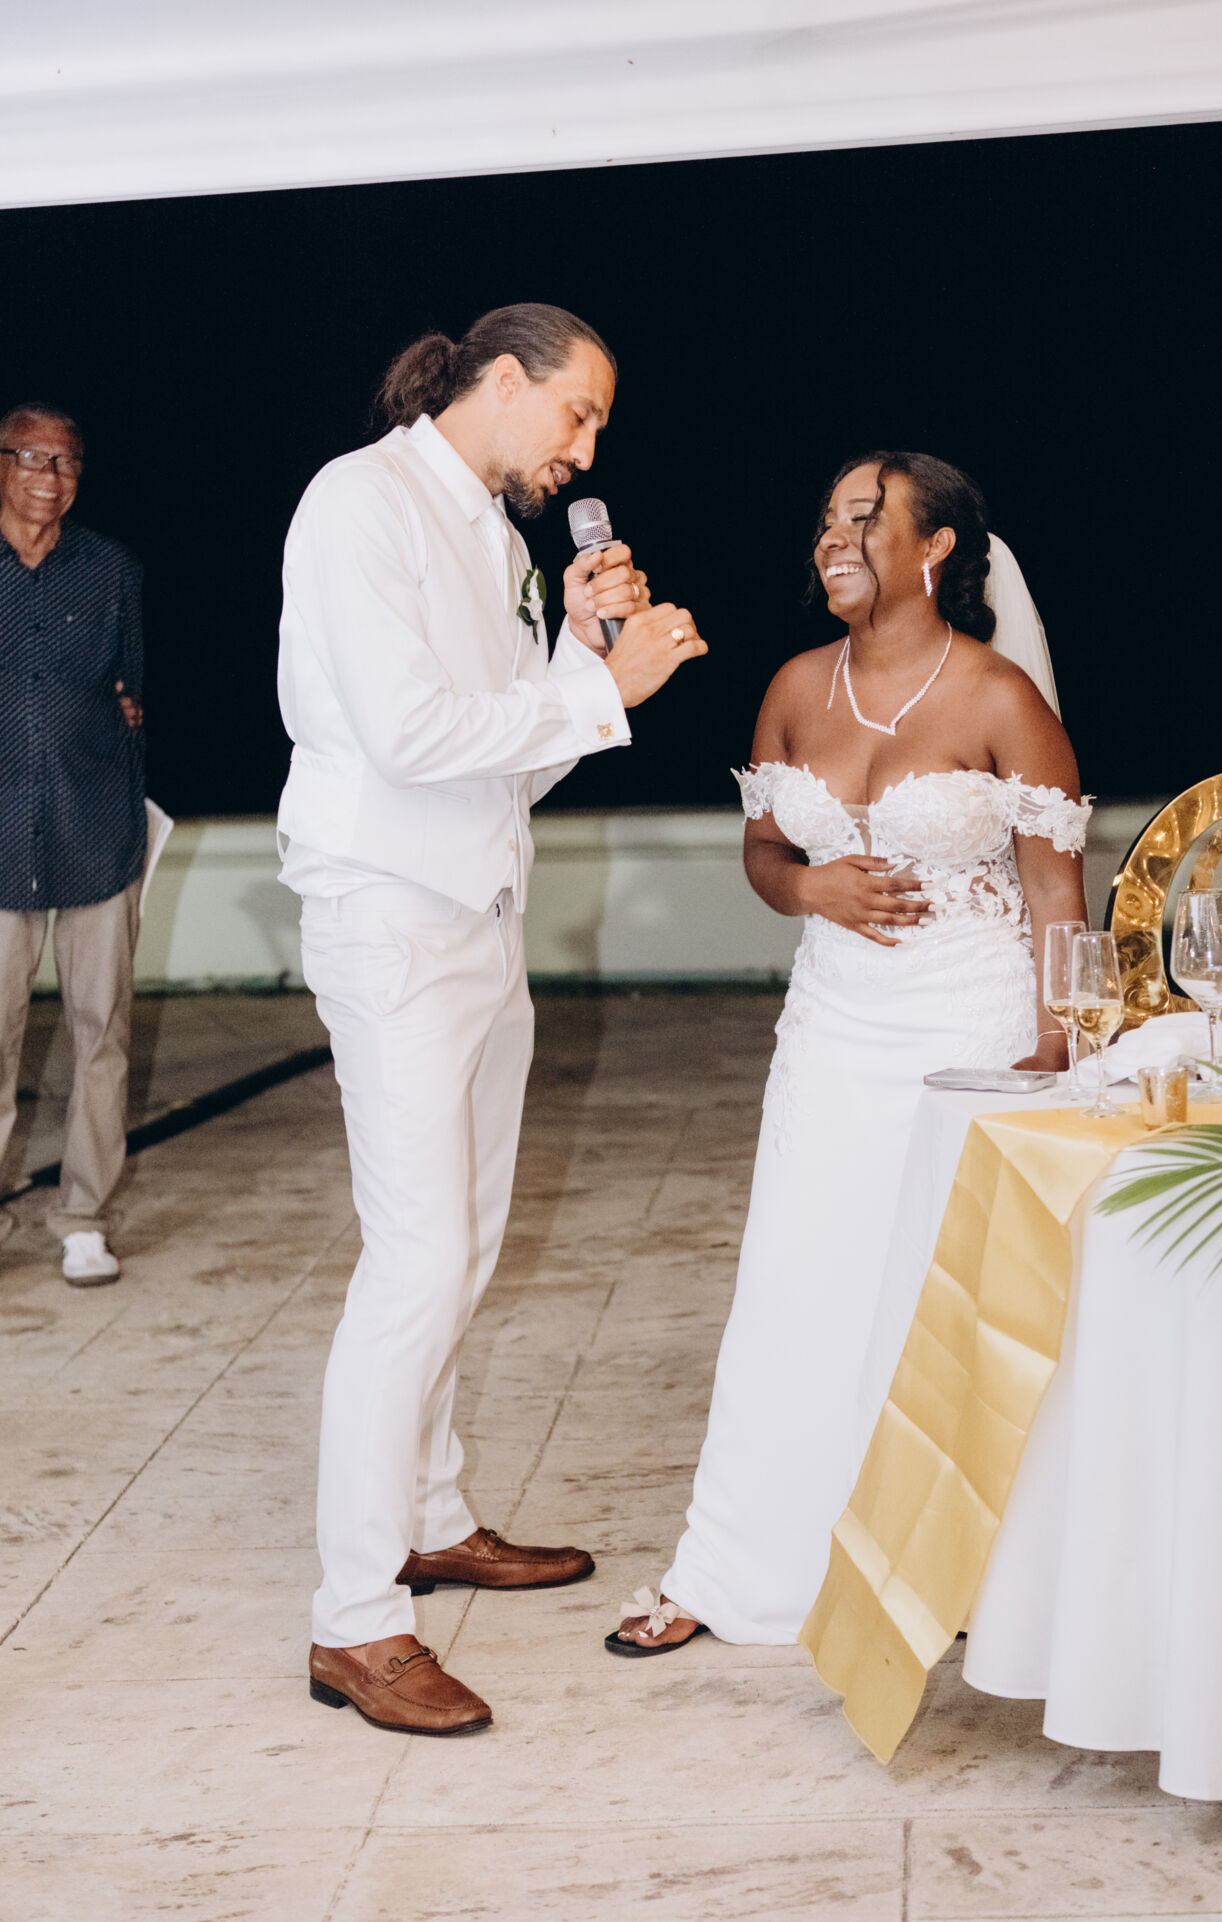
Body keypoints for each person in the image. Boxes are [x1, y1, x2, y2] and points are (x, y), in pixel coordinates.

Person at [278, 303, 707, 1735]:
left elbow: (504, 768)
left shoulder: (500, 541)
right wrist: (597, 687)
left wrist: (579, 655)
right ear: (504, 380)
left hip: (478, 910)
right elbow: (408, 738)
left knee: (462, 1243)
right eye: (578, 414)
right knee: (411, 1263)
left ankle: (432, 1516)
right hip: (389, 918)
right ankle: (354, 1619)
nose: (586, 450)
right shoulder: (360, 501)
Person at [607, 451, 1089, 1656]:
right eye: (826, 519)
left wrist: (1053, 1044)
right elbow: (764, 853)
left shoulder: (998, 698)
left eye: (865, 519)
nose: (833, 538)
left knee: (943, 1295)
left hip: (970, 1029)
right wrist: (805, 886)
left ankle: (968, 1579)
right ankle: (740, 1568)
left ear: (936, 547)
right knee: (795, 1284)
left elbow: (1052, 889)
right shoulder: (791, 687)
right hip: (831, 1029)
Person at [0, 404, 146, 1287]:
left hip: (95, 834)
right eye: (32, 457)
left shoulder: (111, 570)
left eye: (67, 462)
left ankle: (84, 1218)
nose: (50, 477)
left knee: (103, 1036)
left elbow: (136, 698)